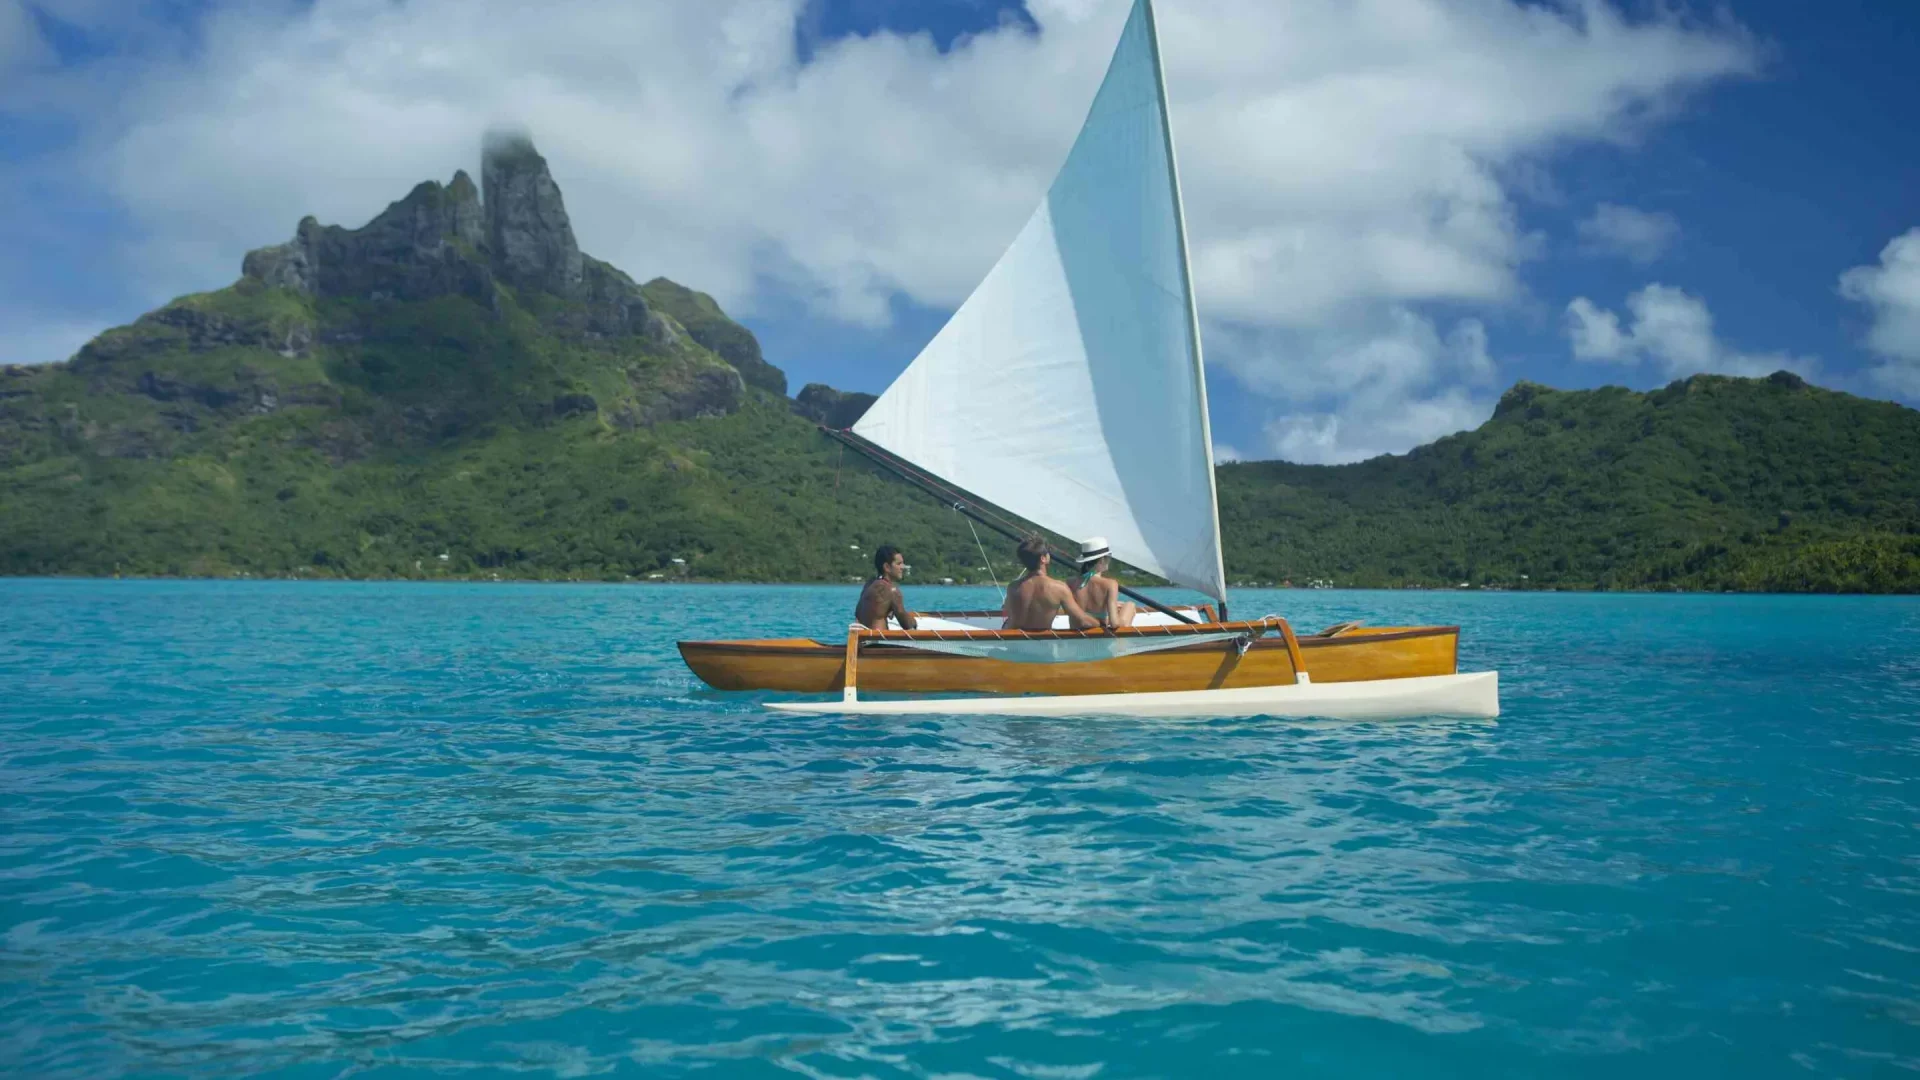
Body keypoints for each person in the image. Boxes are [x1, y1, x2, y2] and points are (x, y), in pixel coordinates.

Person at [1002, 537, 1100, 631]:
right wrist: (1100, 623)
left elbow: (1007, 610)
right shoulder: (1059, 588)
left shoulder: (1013, 587)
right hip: (1041, 645)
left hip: (1014, 643)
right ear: (1043, 558)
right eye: (1048, 553)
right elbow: (1083, 621)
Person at [1072, 537, 1138, 628]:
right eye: (1109, 557)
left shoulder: (1070, 583)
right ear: (1102, 560)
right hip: (1099, 631)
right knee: (1130, 605)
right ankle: (1122, 642)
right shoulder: (1110, 584)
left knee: (1121, 606)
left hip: (1078, 631)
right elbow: (1115, 624)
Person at [854, 544, 917, 631]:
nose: (903, 567)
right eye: (899, 564)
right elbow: (907, 624)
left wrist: (887, 609)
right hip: (878, 641)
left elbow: (858, 613)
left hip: (862, 640)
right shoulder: (892, 591)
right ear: (887, 567)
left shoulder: (869, 585)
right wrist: (914, 622)